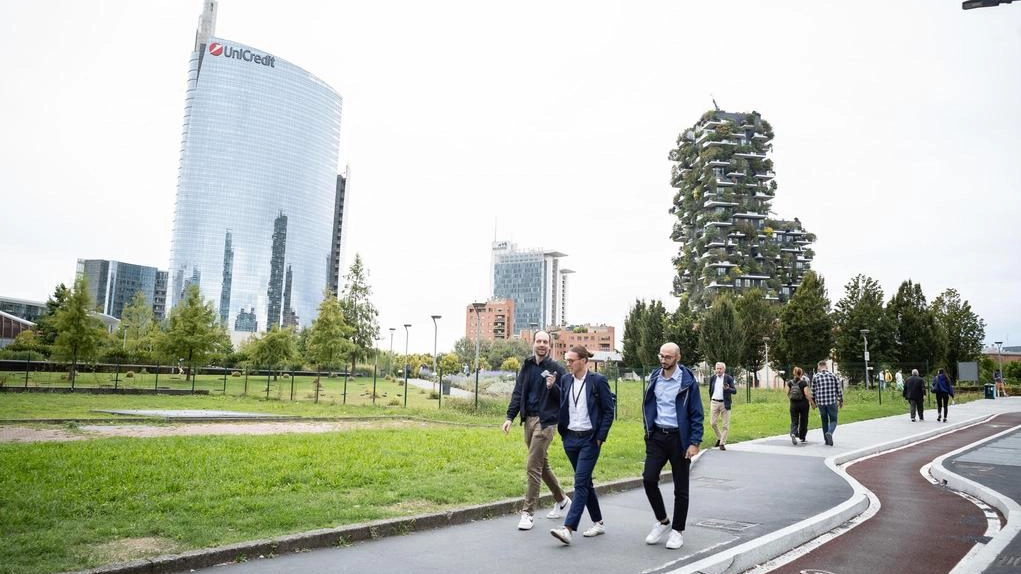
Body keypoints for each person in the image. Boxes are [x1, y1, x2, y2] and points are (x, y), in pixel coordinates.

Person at [502, 331, 571, 531]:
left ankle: (528, 513)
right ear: (533, 343)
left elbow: (565, 396)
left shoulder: (557, 369)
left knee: (532, 466)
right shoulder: (527, 365)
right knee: (542, 464)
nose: (541, 344)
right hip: (528, 420)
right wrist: (509, 417)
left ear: (550, 345)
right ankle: (562, 499)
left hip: (546, 422)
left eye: (545, 342)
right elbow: (518, 392)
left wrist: (553, 387)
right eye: (538, 341)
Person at [640, 342, 704, 550]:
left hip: (680, 439)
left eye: (667, 357)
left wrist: (694, 442)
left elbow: (696, 414)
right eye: (661, 356)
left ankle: (677, 531)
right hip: (657, 436)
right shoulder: (654, 377)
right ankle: (662, 521)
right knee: (649, 478)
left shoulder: (687, 382)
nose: (663, 360)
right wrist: (648, 431)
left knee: (681, 488)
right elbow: (648, 405)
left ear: (677, 357)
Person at [549, 345, 615, 545]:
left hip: (589, 439)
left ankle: (568, 528)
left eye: (571, 360)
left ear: (584, 360)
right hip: (570, 438)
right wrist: (552, 389)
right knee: (585, 482)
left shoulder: (598, 381)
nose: (567, 364)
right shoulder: (566, 380)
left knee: (579, 483)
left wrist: (600, 437)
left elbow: (608, 410)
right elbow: (563, 403)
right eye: (567, 360)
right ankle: (599, 522)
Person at [810, 359, 842, 446]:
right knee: (833, 420)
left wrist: (813, 403)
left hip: (821, 403)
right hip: (832, 402)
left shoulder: (816, 377)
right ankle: (830, 433)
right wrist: (840, 399)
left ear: (819, 367)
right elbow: (838, 389)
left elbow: (813, 391)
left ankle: (826, 440)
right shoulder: (833, 375)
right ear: (826, 367)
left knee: (824, 421)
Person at [707, 362, 737, 450]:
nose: (718, 370)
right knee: (713, 423)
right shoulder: (713, 378)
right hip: (714, 402)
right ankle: (720, 437)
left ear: (724, 369)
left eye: (720, 369)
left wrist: (728, 389)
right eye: (717, 368)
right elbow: (710, 390)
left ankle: (722, 443)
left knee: (725, 425)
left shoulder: (728, 378)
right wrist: (711, 399)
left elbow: (734, 391)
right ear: (715, 369)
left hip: (725, 403)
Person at [786, 366, 813, 445]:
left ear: (794, 373)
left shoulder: (790, 383)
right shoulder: (804, 383)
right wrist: (812, 403)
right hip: (803, 404)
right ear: (801, 374)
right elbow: (806, 394)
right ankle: (802, 437)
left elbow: (787, 393)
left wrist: (791, 399)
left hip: (793, 404)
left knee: (794, 420)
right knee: (804, 421)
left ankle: (793, 433)